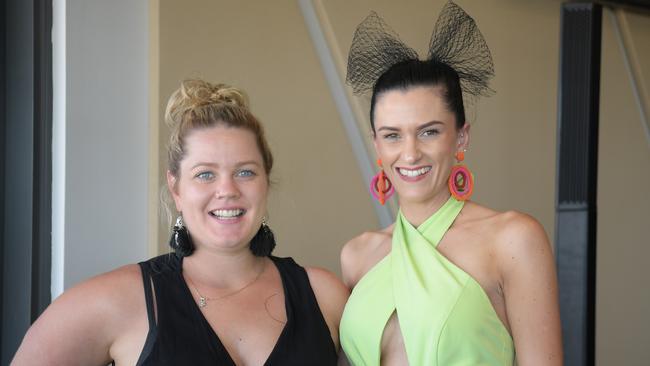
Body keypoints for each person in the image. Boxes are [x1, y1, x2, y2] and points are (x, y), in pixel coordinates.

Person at [13, 79, 349, 365]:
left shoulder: (323, 295)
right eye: (205, 174)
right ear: (176, 188)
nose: (227, 190)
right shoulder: (118, 300)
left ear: (265, 182)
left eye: (245, 172)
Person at [339, 2, 562, 365]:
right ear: (376, 144)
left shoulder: (513, 239)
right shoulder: (356, 256)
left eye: (428, 132)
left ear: (460, 138)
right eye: (392, 135)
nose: (409, 154)